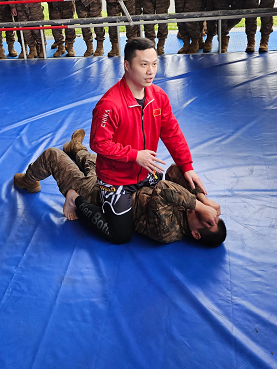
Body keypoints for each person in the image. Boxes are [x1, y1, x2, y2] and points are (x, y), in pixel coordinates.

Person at [15, 38, 211, 244]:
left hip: (144, 172)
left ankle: (74, 147)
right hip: (116, 179)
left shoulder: (158, 97)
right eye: (143, 64)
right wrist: (135, 155)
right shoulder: (110, 104)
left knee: (100, 170)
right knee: (120, 235)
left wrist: (186, 166)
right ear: (127, 65)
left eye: (154, 64)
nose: (151, 71)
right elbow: (99, 144)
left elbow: (172, 132)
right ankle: (52, 184)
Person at [15, 128, 226, 246]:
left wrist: (198, 205)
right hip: (123, 180)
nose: (206, 215)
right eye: (212, 217)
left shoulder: (169, 231)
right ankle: (76, 148)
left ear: (197, 234)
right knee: (96, 163)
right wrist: (202, 198)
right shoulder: (191, 207)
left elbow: (163, 188)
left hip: (103, 197)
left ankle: (28, 181)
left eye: (207, 222)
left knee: (53, 156)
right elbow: (173, 171)